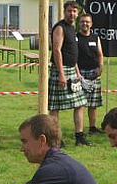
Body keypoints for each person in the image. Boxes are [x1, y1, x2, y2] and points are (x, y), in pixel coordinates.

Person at [49, 1, 91, 146]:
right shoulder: (60, 28)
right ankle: (56, 139)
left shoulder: (72, 28)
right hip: (60, 70)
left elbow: (73, 53)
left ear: (77, 13)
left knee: (80, 103)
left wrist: (77, 71)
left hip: (72, 70)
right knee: (55, 107)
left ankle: (79, 136)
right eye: (69, 11)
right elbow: (56, 50)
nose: (72, 14)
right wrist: (61, 73)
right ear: (64, 12)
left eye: (74, 11)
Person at [77, 14, 104, 135]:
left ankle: (92, 128)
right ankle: (80, 130)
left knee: (93, 103)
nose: (85, 24)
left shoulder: (95, 37)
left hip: (94, 73)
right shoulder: (76, 38)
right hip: (81, 74)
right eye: (82, 21)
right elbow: (74, 57)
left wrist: (100, 67)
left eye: (87, 22)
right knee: (81, 104)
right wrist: (78, 73)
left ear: (91, 24)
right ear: (79, 23)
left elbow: (100, 54)